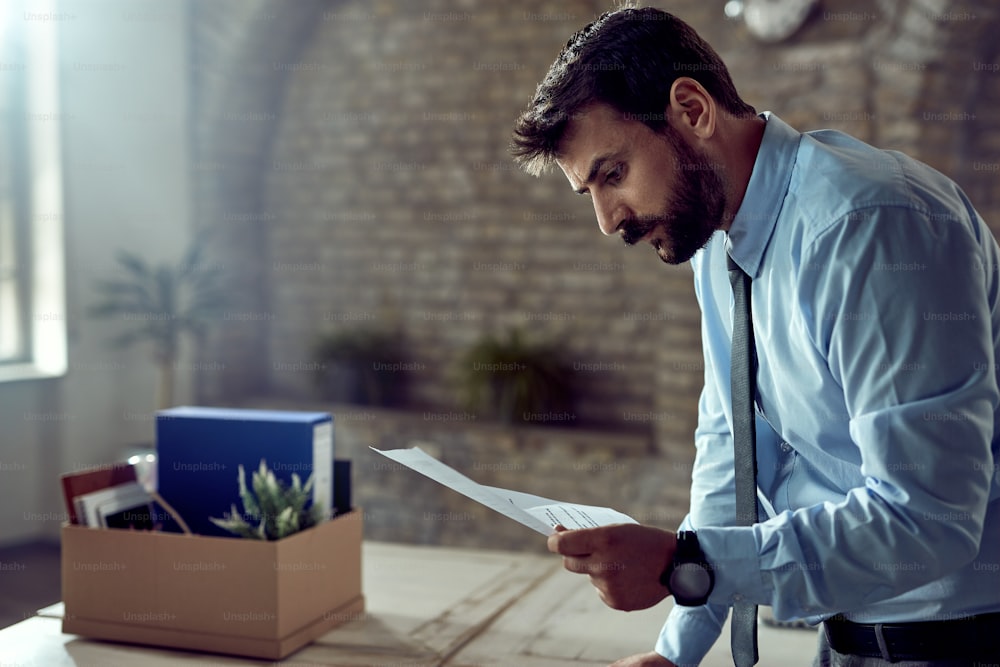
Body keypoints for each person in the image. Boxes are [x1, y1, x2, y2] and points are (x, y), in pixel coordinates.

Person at [510, 5, 1000, 667]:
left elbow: (929, 518)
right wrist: (676, 652)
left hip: (956, 644)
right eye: (589, 192)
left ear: (693, 109)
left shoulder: (871, 228)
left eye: (614, 174)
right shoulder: (721, 244)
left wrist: (689, 563)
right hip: (846, 637)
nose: (607, 221)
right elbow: (732, 457)